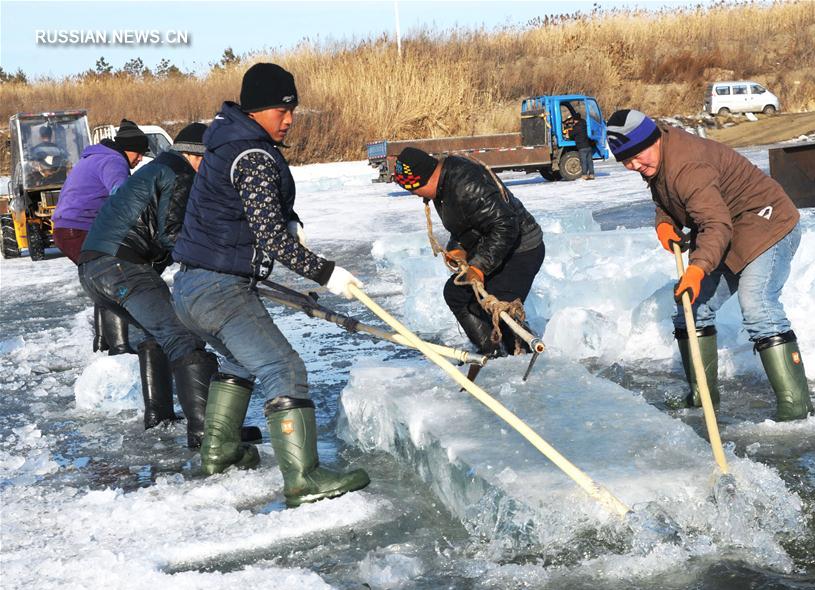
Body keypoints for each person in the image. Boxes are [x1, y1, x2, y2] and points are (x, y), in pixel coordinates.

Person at [171, 62, 369, 506]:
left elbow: (243, 210)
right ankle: (303, 478)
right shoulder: (254, 155)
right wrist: (327, 273)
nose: (290, 119)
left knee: (241, 363)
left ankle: (218, 452)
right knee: (286, 369)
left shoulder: (226, 145)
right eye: (283, 109)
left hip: (188, 290)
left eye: (292, 109)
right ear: (258, 109)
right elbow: (271, 238)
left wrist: (290, 218)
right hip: (220, 290)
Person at [605, 109, 813, 420]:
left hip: (769, 224)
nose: (634, 165)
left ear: (651, 140)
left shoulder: (688, 165)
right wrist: (664, 223)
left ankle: (796, 407)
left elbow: (715, 224)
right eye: (626, 160)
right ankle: (702, 394)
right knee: (692, 305)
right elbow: (667, 195)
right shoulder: (658, 153)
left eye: (637, 156)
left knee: (757, 304)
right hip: (730, 231)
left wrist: (698, 268)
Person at [78, 123, 219, 447]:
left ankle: (158, 415)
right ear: (199, 155)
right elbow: (172, 234)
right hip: (122, 267)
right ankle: (210, 435)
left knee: (157, 335)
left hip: (93, 270)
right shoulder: (181, 172)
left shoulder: (159, 168)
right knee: (183, 337)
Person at [392, 147, 545, 357]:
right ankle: (490, 351)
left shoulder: (466, 185)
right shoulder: (445, 185)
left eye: (413, 189)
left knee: (497, 309)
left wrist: (479, 266)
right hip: (496, 247)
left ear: (426, 178)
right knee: (456, 294)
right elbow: (467, 224)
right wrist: (458, 249)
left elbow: (505, 226)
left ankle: (520, 352)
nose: (413, 194)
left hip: (520, 250)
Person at [53, 119, 149, 356]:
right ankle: (119, 348)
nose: (140, 160)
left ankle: (102, 342)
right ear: (129, 148)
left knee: (102, 279)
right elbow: (124, 196)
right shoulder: (114, 161)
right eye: (139, 153)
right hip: (78, 229)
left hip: (69, 229)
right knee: (113, 279)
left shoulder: (98, 156)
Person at [568, 112, 595, 180]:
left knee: (583, 161)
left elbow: (571, 135)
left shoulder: (577, 127)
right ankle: (592, 174)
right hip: (588, 145)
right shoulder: (584, 124)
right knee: (589, 161)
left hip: (582, 147)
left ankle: (584, 175)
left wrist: (569, 131)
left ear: (575, 120)